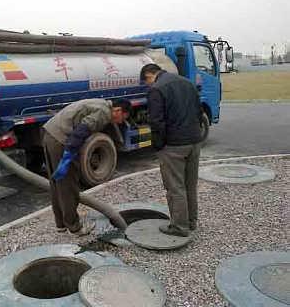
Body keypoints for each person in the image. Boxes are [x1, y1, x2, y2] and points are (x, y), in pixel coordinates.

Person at [43, 98, 131, 236]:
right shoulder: (104, 112)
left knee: (57, 183)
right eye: (122, 118)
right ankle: (74, 227)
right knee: (68, 185)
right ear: (118, 110)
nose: (120, 122)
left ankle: (61, 224)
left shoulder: (100, 104)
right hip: (60, 139)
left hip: (50, 133)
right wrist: (68, 155)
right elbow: (82, 129)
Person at [141, 64, 203, 237]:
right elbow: (198, 112)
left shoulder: (156, 89)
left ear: (149, 75)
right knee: (190, 185)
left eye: (146, 82)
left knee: (175, 187)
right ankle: (191, 222)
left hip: (174, 146)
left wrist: (159, 146)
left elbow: (156, 122)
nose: (148, 86)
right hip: (194, 141)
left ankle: (179, 227)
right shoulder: (187, 83)